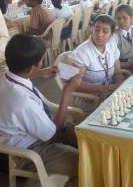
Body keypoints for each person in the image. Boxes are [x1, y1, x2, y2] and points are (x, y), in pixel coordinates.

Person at [0, 34, 82, 185]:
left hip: (32, 133)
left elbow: (17, 74)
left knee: (81, 135)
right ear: (30, 67)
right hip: (31, 149)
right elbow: (52, 133)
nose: (42, 63)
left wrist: (38, 73)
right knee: (85, 161)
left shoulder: (5, 73)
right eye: (40, 62)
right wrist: (66, 93)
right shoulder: (22, 101)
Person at [69, 15, 123, 112]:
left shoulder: (112, 45)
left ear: (111, 35)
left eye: (105, 31)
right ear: (92, 30)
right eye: (96, 30)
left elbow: (117, 73)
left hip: (109, 94)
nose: (99, 34)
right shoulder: (82, 53)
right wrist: (102, 89)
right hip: (89, 99)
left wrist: (119, 86)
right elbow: (75, 84)